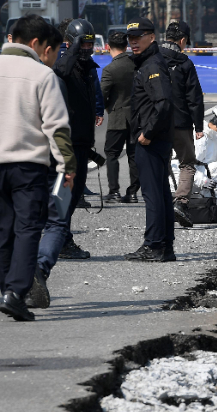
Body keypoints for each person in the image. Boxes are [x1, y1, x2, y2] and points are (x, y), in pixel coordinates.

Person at [0, 15, 76, 321]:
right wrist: (67, 167)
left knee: (2, 229)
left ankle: (4, 287)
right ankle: (16, 293)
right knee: (28, 228)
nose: (53, 57)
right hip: (27, 166)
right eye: (53, 50)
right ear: (36, 44)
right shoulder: (42, 76)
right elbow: (57, 128)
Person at [124, 18, 175, 262]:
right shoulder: (148, 62)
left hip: (151, 140)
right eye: (130, 38)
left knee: (153, 194)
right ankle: (165, 246)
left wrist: (147, 133)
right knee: (161, 192)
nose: (133, 41)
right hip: (156, 138)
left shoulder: (152, 65)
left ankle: (154, 245)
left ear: (152, 37)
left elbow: (163, 103)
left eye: (139, 36)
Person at [53, 18, 99, 260]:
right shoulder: (65, 65)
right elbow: (60, 70)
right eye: (82, 44)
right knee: (65, 196)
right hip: (68, 143)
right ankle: (61, 240)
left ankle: (62, 237)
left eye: (89, 43)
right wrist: (73, 48)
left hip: (83, 140)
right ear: (70, 43)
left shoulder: (88, 68)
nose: (86, 48)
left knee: (75, 194)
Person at [160, 20, 204, 228]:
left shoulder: (152, 59)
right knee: (187, 162)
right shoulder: (185, 63)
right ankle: (181, 202)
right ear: (183, 40)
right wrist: (199, 127)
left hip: (156, 123)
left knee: (160, 161)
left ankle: (160, 203)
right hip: (181, 123)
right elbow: (194, 98)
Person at [169, 104, 217, 215]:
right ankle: (212, 210)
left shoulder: (211, 134)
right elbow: (186, 165)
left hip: (193, 175)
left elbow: (206, 161)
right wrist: (203, 181)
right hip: (180, 179)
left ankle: (213, 209)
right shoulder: (201, 138)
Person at [101, 31, 141, 204]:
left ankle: (114, 191)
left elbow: (102, 95)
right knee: (133, 155)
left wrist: (106, 107)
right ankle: (132, 192)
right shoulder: (137, 64)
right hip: (136, 116)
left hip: (117, 116)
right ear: (126, 46)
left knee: (111, 153)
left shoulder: (110, 69)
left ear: (108, 47)